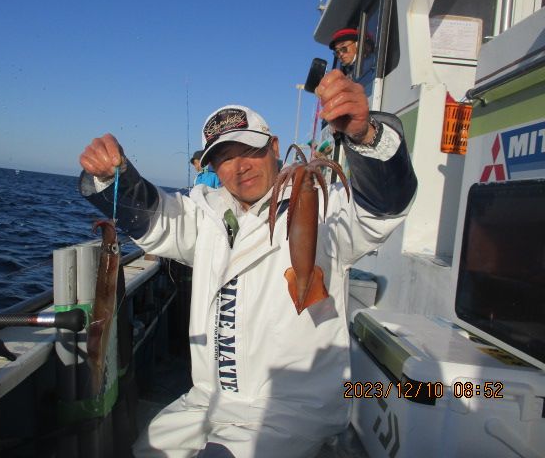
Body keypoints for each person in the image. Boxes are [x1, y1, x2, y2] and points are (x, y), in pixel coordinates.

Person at [79, 70, 417, 457]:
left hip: (290, 410)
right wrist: (113, 176)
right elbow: (155, 219)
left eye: (249, 150)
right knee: (145, 450)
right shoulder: (204, 211)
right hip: (207, 402)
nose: (239, 167)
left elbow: (382, 207)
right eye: (224, 159)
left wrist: (365, 135)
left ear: (274, 147)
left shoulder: (327, 208)